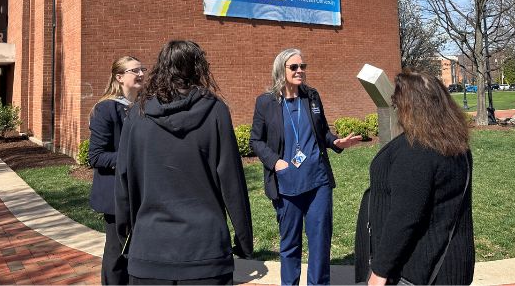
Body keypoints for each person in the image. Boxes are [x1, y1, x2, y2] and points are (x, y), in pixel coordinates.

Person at [114, 40, 253, 285]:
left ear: (161, 68)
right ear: (198, 69)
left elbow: (123, 181)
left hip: (150, 247)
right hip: (205, 249)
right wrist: (244, 239)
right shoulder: (215, 110)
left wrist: (124, 231)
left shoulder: (137, 114)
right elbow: (232, 181)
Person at [249, 48, 361, 285]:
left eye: (303, 67)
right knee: (290, 244)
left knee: (320, 242)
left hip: (318, 182)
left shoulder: (311, 96)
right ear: (282, 70)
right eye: (294, 67)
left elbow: (322, 132)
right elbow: (255, 141)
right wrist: (275, 161)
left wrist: (336, 141)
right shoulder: (266, 102)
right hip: (287, 186)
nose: (300, 71)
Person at [355, 70, 475, 285]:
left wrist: (380, 272)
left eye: (397, 102)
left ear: (411, 106)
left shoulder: (417, 152)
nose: (396, 108)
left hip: (418, 268)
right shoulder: (454, 143)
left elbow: (404, 218)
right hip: (451, 261)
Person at [89, 55, 146, 285]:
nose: (141, 74)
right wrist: (130, 159)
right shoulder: (106, 109)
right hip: (115, 194)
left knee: (137, 251)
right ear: (120, 77)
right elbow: (96, 156)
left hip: (141, 192)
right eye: (135, 70)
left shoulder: (144, 106)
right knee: (116, 254)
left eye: (142, 69)